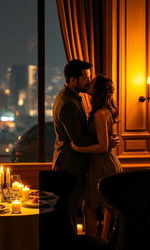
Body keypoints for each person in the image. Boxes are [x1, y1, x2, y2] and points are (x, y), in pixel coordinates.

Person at [52, 59, 118, 231]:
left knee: (84, 208)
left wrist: (104, 140)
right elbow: (79, 140)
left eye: (89, 79)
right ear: (73, 80)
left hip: (84, 162)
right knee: (70, 210)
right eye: (85, 78)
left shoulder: (72, 97)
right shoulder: (67, 103)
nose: (89, 81)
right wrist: (105, 141)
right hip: (70, 164)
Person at [70, 74, 123, 240]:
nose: (88, 84)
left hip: (102, 164)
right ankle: (102, 243)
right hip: (102, 162)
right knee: (104, 207)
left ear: (98, 90)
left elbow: (102, 146)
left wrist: (77, 147)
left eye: (91, 83)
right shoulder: (102, 111)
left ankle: (94, 243)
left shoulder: (100, 114)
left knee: (93, 206)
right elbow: (106, 141)